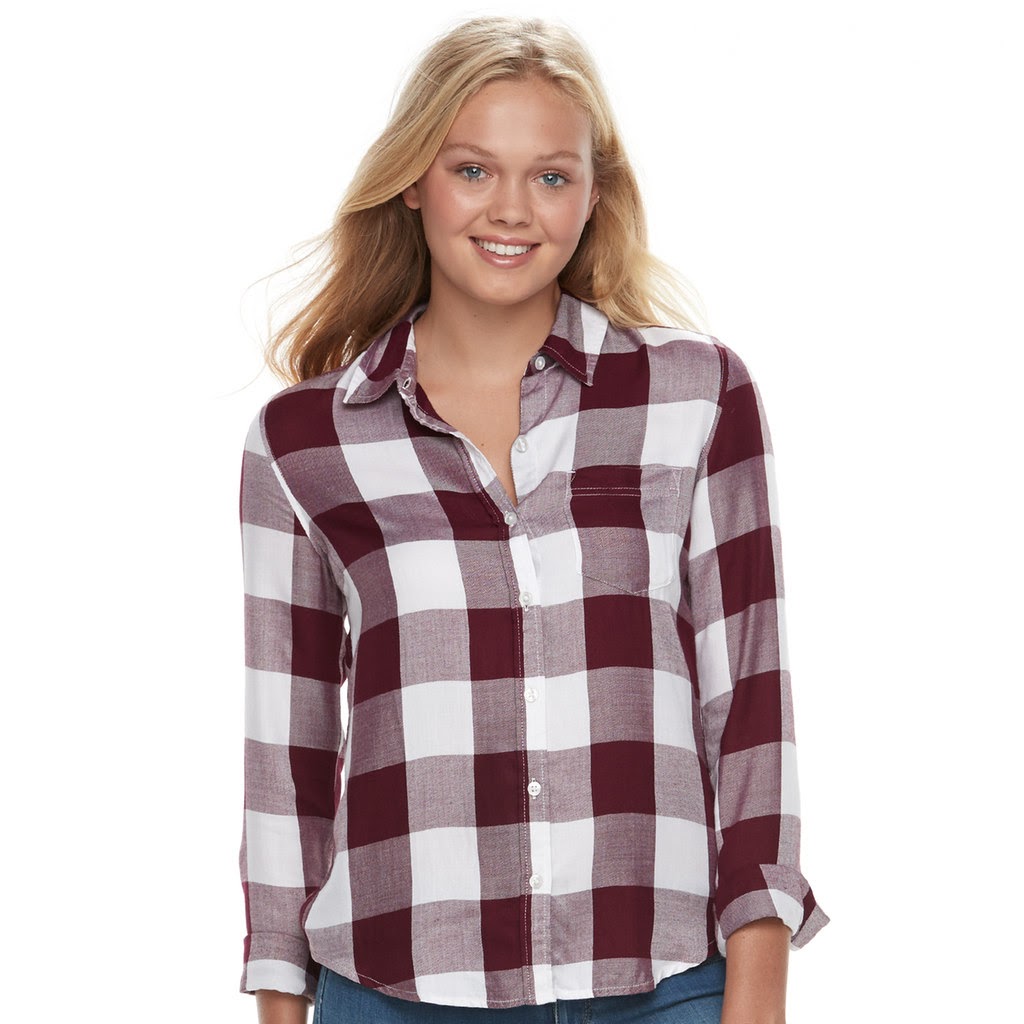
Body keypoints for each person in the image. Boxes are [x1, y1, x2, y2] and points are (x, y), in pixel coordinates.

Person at [237, 15, 828, 1024]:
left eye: (550, 175)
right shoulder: (304, 439)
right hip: (395, 990)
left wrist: (758, 995)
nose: (511, 209)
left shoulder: (696, 396)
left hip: (661, 985)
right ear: (413, 181)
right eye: (472, 169)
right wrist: (281, 1003)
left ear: (592, 194)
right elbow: (284, 753)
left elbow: (750, 710)